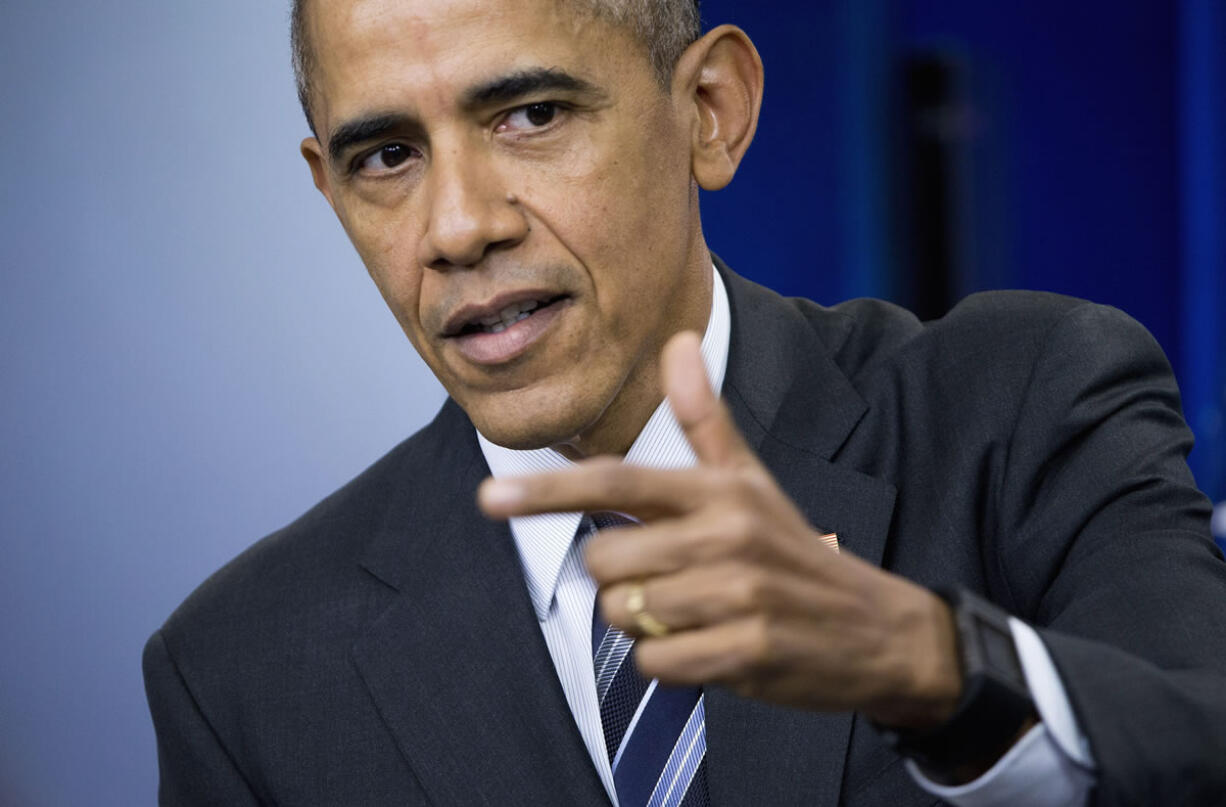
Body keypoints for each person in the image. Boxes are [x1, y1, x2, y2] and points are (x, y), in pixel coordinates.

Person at [142, 0, 1226, 804]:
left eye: (528, 114)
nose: (457, 226)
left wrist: (937, 669)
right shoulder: (239, 667)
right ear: (330, 192)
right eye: (385, 156)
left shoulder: (1022, 401)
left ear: (709, 112)